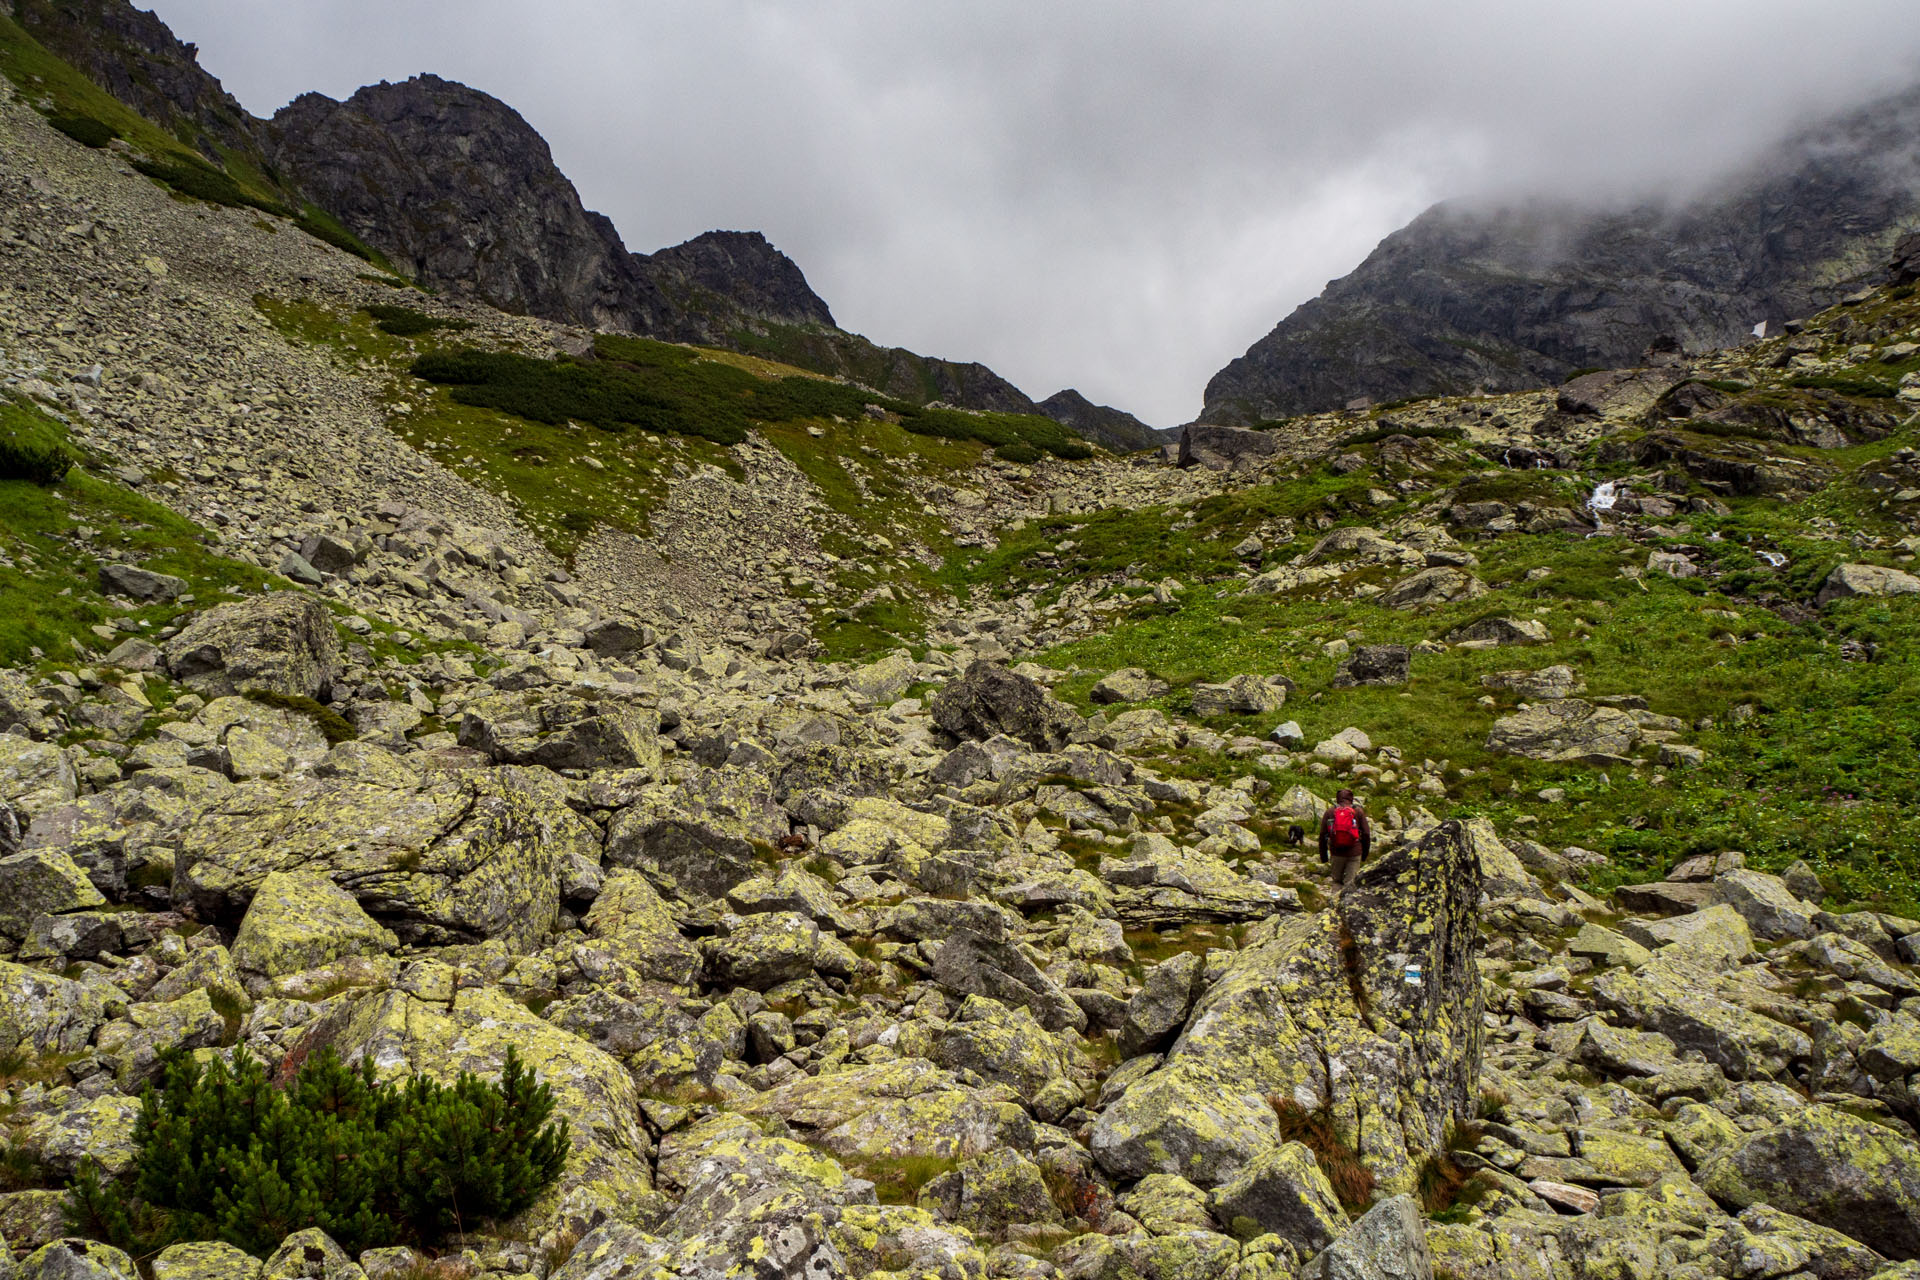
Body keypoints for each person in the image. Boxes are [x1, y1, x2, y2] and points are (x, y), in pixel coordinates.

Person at [1318, 788, 1371, 891]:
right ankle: (1346, 904)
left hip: (1336, 852)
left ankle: (1334, 904)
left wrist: (1324, 857)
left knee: (1336, 881)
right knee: (1350, 883)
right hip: (1354, 852)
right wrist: (1364, 855)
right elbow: (1366, 833)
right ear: (1351, 799)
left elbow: (1322, 835)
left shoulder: (1330, 811)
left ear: (1338, 799)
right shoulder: (1358, 811)